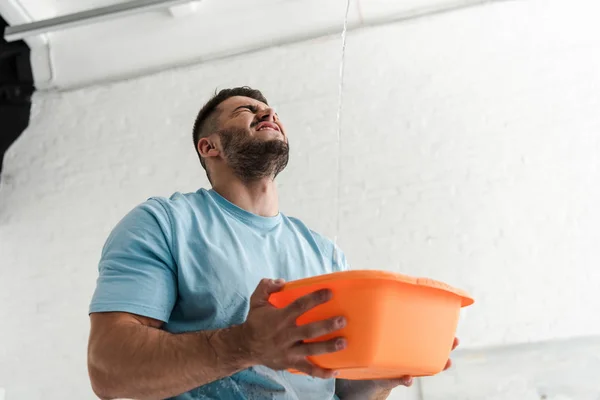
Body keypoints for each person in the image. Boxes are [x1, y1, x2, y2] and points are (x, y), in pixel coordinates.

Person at [87, 86, 458, 400]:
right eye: (247, 110)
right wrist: (245, 344)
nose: (267, 112)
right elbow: (108, 368)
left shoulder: (324, 252)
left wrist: (376, 380)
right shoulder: (163, 223)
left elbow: (337, 387)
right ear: (209, 146)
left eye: (271, 111)